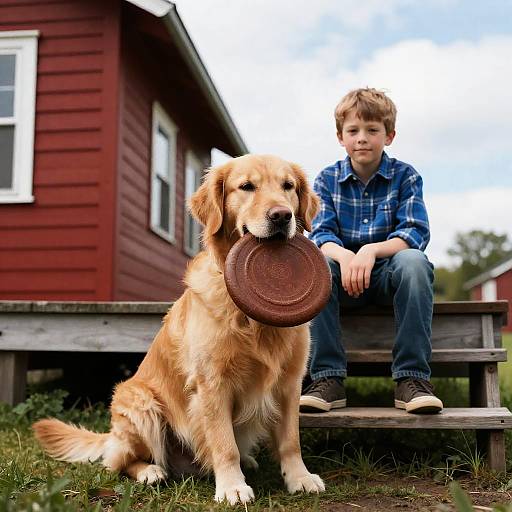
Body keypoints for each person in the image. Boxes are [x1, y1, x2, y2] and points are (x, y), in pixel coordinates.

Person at [300, 87, 443, 414]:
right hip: (339, 281)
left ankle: (412, 379)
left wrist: (369, 251)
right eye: (353, 131)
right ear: (340, 137)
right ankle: (327, 379)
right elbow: (320, 233)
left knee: (415, 261)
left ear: (389, 136)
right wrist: (346, 255)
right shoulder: (326, 180)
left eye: (372, 130)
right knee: (318, 264)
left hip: (388, 279)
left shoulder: (406, 176)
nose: (362, 138)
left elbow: (414, 232)